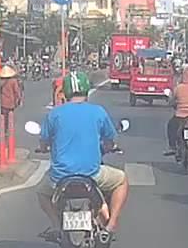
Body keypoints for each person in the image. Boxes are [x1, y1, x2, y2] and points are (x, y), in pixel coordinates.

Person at [36, 71, 129, 238]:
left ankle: (56, 226)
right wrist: (110, 147)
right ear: (86, 90)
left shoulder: (54, 114)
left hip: (60, 177)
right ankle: (111, 224)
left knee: (41, 193)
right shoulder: (98, 112)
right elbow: (109, 140)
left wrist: (44, 148)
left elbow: (43, 143)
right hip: (92, 174)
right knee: (121, 180)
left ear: (65, 92)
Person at [0, 64, 24, 145]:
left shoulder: (0, 81)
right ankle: (8, 130)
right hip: (10, 102)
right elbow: (16, 92)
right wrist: (19, 99)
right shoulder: (13, 81)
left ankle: (3, 130)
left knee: (3, 117)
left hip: (2, 102)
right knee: (10, 117)